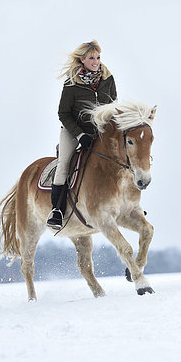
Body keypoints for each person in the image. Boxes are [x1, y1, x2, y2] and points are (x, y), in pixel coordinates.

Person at [46, 40, 117, 229]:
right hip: (73, 131)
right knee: (64, 164)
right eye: (91, 58)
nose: (96, 61)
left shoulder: (108, 78)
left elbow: (113, 106)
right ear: (82, 60)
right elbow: (63, 113)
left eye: (98, 57)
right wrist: (79, 135)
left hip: (100, 131)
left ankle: (126, 204)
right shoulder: (72, 83)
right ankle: (57, 211)